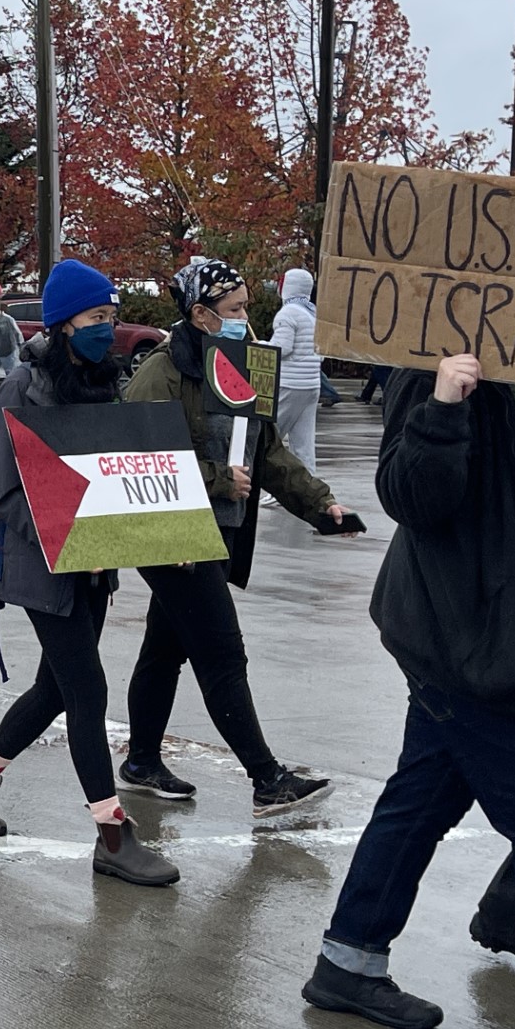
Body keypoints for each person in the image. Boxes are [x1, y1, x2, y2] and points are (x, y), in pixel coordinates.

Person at [304, 353, 515, 1029]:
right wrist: (446, 405)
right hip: (480, 642)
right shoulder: (445, 361)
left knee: (424, 793)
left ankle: (350, 961)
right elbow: (410, 495)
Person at [0, 259, 180, 886]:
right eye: (96, 317)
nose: (108, 328)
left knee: (55, 688)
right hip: (40, 561)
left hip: (91, 564)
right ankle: (111, 832)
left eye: (111, 316)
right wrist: (73, 541)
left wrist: (156, 528)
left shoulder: (104, 381)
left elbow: (122, 471)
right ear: (63, 321)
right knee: (87, 691)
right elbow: (7, 494)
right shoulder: (22, 389)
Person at [121, 258, 343, 816]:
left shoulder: (245, 365)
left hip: (220, 532)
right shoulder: (161, 372)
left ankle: (141, 761)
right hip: (172, 535)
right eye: (235, 310)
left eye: (247, 308)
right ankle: (267, 779)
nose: (247, 319)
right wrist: (217, 477)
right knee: (222, 653)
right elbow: (135, 458)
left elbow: (267, 451)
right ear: (200, 314)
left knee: (164, 648)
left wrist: (321, 504)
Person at [268, 266, 323, 473]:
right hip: (311, 385)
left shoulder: (288, 313)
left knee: (269, 438)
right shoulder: (313, 313)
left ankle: (274, 485)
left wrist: (261, 346)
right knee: (304, 443)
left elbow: (282, 347)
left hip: (290, 385)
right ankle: (309, 486)